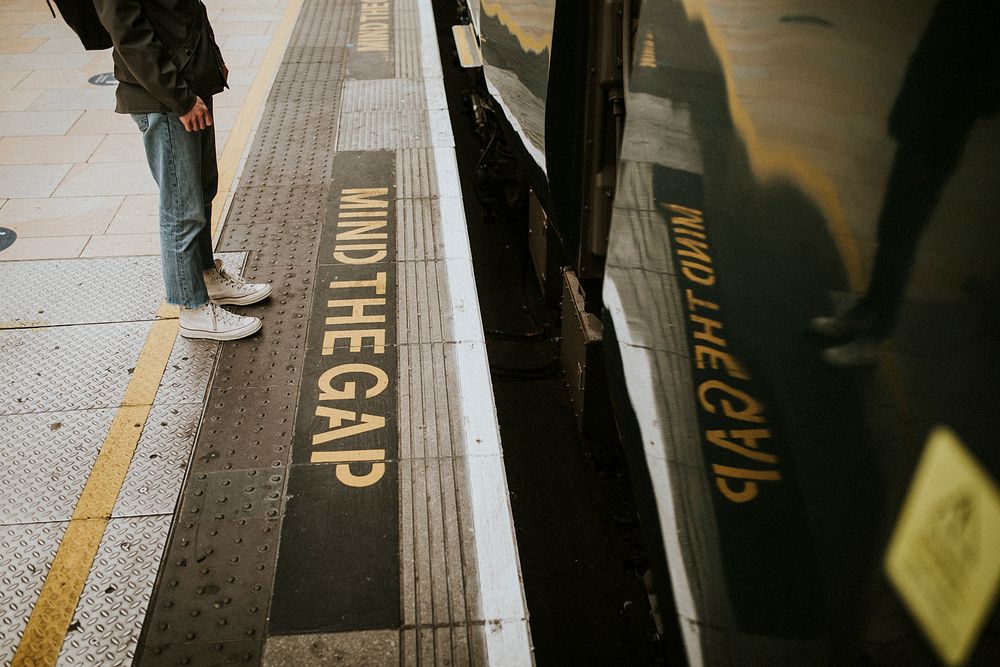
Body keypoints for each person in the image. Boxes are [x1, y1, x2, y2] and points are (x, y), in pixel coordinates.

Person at [810, 0, 999, 365]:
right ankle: (868, 311)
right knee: (892, 226)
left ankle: (878, 335)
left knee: (902, 235)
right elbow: (933, 53)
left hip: (936, 138)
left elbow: (979, 94)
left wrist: (932, 150)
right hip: (922, 122)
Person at [93, 0, 271, 340]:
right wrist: (180, 98)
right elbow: (127, 31)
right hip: (165, 97)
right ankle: (192, 307)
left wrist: (211, 60)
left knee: (202, 190)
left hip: (190, 81)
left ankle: (206, 276)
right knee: (181, 207)